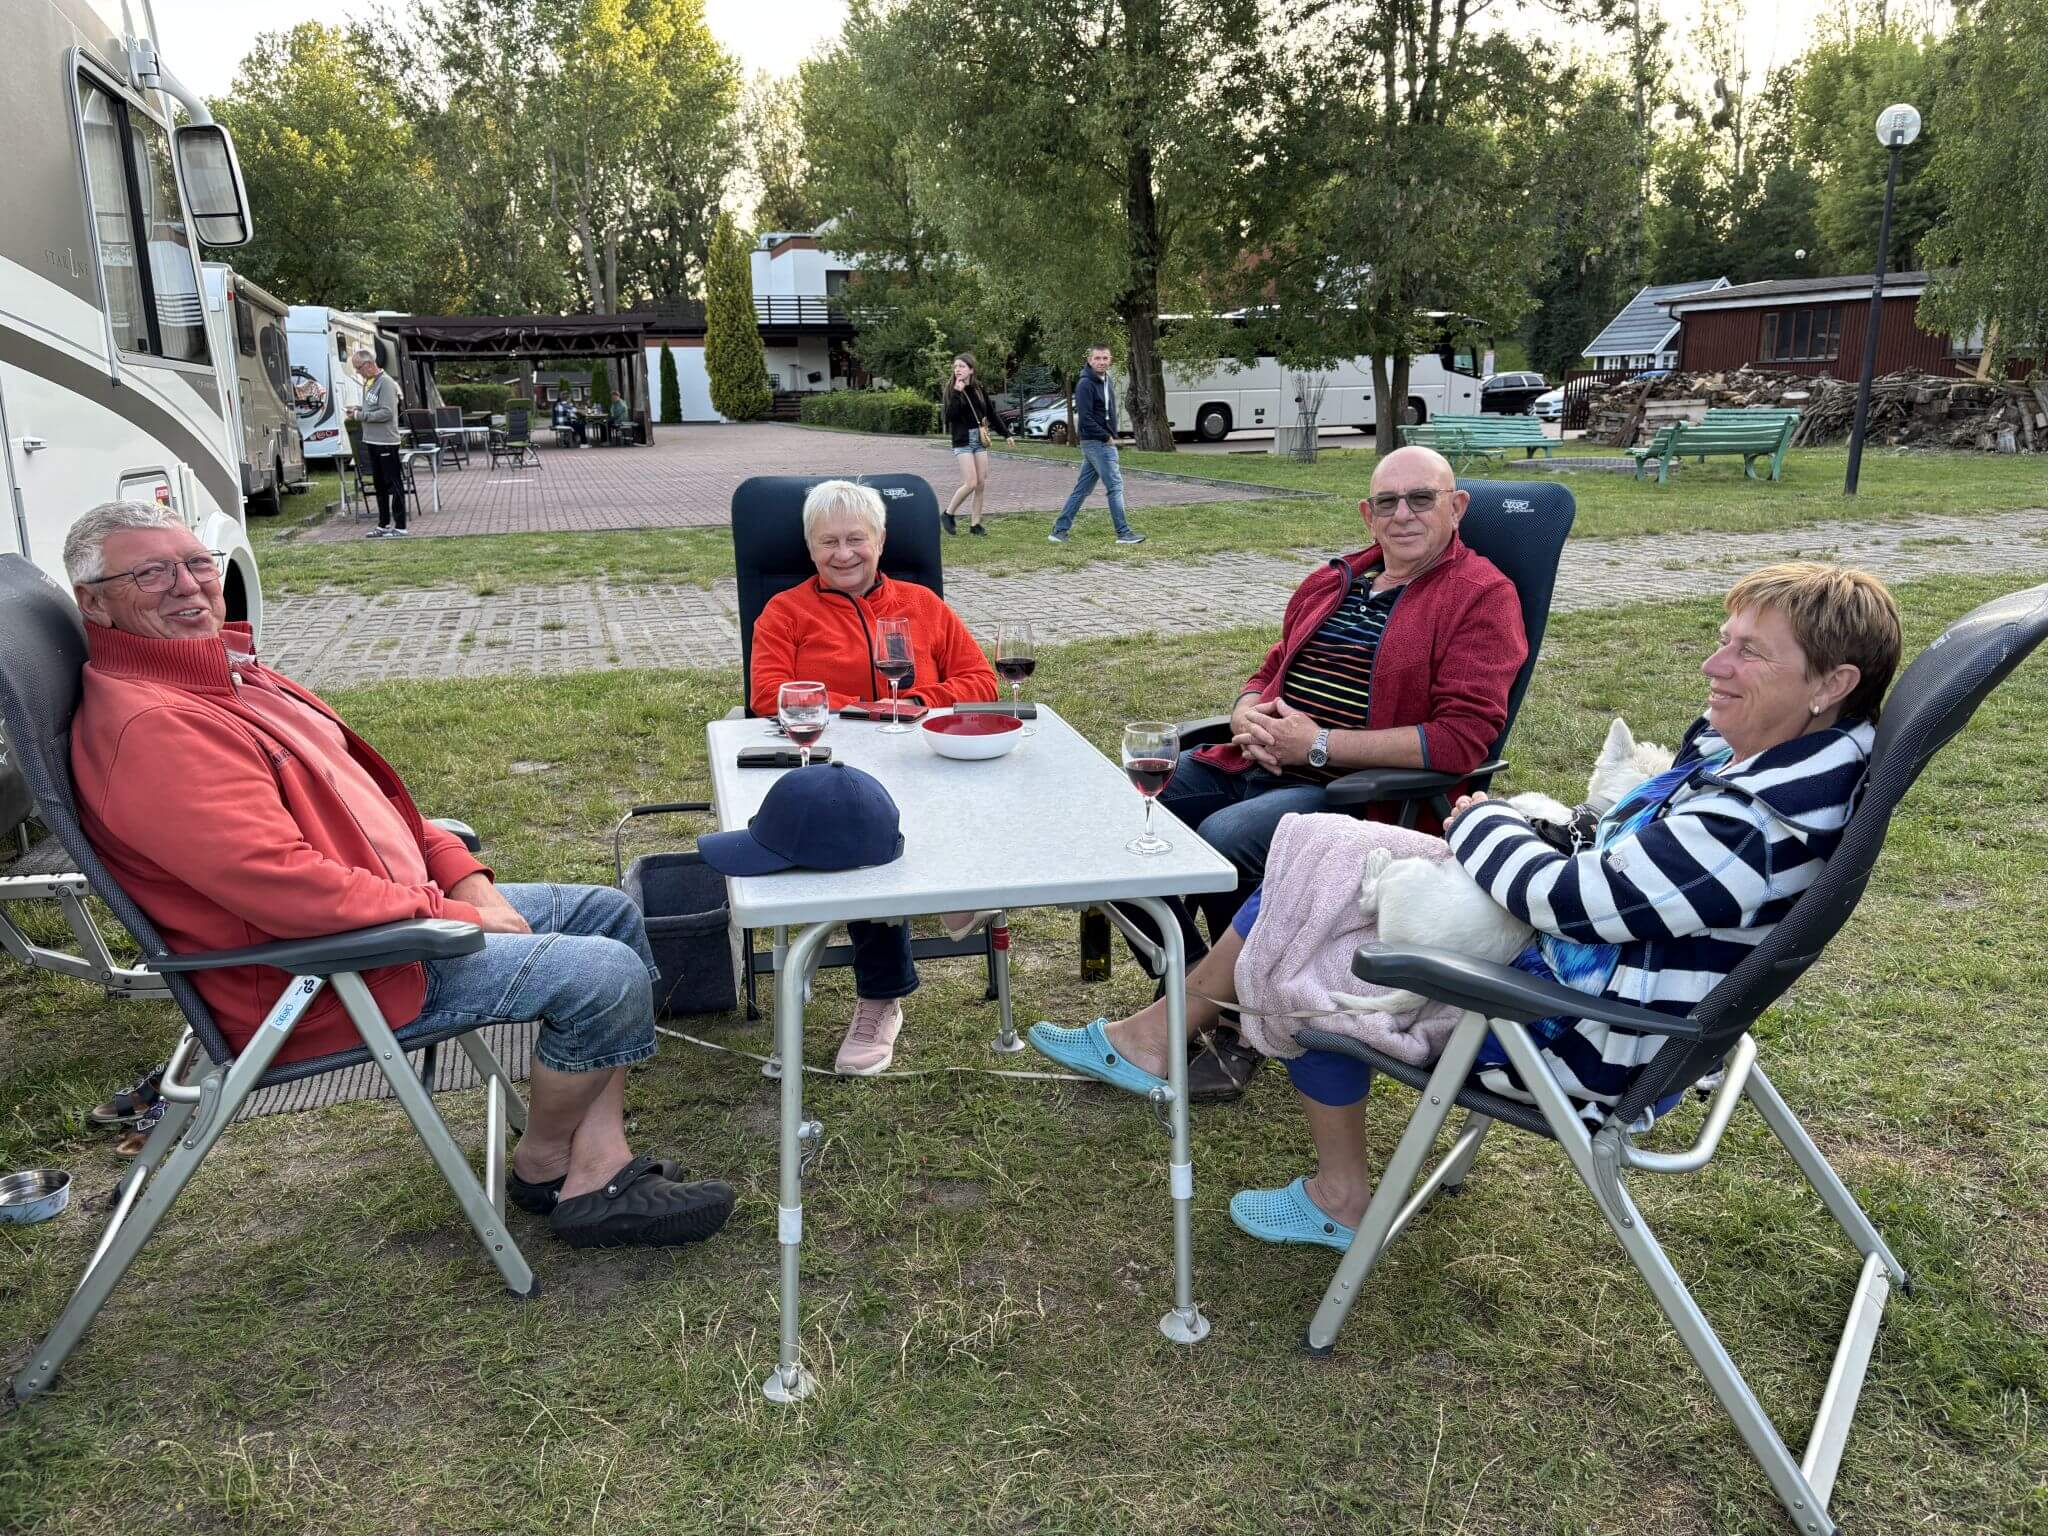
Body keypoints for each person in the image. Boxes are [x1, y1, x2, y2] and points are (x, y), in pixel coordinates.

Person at [1035, 562, 1902, 1252]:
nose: (1714, 667)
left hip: (1570, 1027)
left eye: (1750, 654)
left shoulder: (1752, 824)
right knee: (1315, 855)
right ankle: (1157, 1037)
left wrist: (1488, 822)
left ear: (1832, 684)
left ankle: (1338, 1196)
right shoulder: (1783, 761)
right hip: (1591, 962)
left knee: (1303, 958)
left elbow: (1570, 900)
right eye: (1723, 641)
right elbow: (1637, 835)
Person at [64, 501, 733, 1250]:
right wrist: (458, 915)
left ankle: (582, 1164)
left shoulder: (226, 675)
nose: (189, 585)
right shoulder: (154, 728)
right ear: (94, 601)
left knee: (607, 913)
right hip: (322, 972)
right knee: (604, 975)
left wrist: (466, 880)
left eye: (196, 563)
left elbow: (377, 804)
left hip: (389, 919)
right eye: (151, 574)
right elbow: (286, 889)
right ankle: (563, 1166)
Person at [1124, 443, 1527, 1098]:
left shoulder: (1481, 597)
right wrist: (1247, 711)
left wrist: (1317, 747)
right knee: (1120, 816)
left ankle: (1227, 1020)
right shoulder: (1334, 580)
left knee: (1228, 838)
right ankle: (1206, 996)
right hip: (1257, 757)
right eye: (1387, 502)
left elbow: (1461, 739)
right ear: (1368, 514)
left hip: (1350, 795)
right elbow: (1271, 668)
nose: (1402, 514)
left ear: (1456, 507)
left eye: (1421, 498)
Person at [747, 480, 1001, 1075]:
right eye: (827, 542)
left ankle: (957, 882)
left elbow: (981, 680)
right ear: (809, 548)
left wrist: (915, 701)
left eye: (855, 539)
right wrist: (864, 710)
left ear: (881, 541)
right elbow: (769, 695)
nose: (843, 554)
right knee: (859, 833)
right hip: (832, 768)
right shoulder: (785, 612)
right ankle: (881, 997)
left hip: (923, 755)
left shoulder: (922, 605)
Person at [1049, 343, 1144, 546]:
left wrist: (1111, 434)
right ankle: (1123, 533)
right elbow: (1085, 418)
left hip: (1099, 442)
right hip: (1097, 443)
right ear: (1090, 360)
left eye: (1105, 358)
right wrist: (1106, 437)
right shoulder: (1085, 384)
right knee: (1115, 487)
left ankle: (1059, 531)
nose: (1101, 362)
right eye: (1097, 358)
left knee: (1082, 489)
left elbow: (1107, 412)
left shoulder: (1106, 380)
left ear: (1110, 360)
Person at [940, 354, 1007, 536]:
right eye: (956, 366)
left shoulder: (978, 389)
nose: (957, 369)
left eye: (962, 366)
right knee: (970, 482)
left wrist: (1006, 434)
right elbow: (948, 417)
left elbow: (991, 414)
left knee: (981, 484)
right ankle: (948, 514)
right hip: (963, 441)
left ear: (971, 370)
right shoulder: (952, 389)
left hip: (979, 439)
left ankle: (975, 524)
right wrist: (957, 392)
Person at [349, 349, 407, 538]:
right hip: (372, 440)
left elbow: (387, 413)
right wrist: (359, 409)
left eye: (358, 368)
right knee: (379, 484)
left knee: (393, 483)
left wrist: (360, 416)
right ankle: (383, 524)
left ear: (368, 364)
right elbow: (373, 407)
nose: (358, 372)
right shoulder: (370, 383)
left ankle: (400, 526)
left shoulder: (386, 383)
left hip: (386, 441)